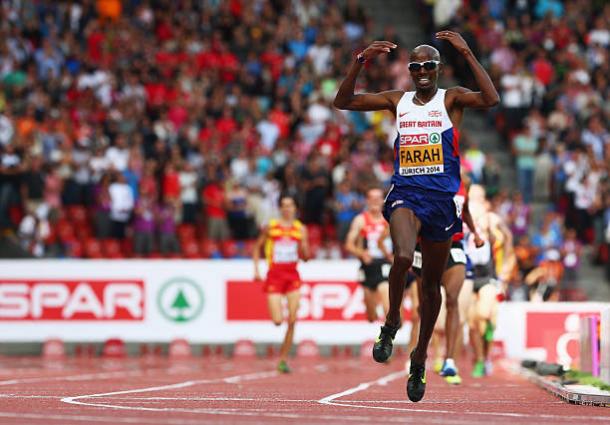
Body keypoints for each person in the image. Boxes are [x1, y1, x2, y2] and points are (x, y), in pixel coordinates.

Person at [333, 31, 499, 402]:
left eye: (428, 65)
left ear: (437, 70)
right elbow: (342, 100)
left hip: (440, 200)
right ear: (408, 71)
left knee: (430, 290)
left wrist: (467, 51)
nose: (422, 71)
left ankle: (420, 357)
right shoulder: (398, 100)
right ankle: (391, 321)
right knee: (404, 257)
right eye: (415, 66)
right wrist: (360, 60)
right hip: (406, 193)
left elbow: (491, 98)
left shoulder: (451, 98)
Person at [410, 173, 483, 385]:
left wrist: (476, 233)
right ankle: (421, 352)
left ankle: (449, 360)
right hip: (426, 247)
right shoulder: (425, 181)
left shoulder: (463, 185)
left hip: (455, 247)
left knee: (453, 299)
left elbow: (465, 210)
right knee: (426, 304)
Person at [253, 195, 310, 374]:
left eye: (290, 206)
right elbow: (257, 247)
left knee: (292, 320)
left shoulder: (300, 228)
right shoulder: (271, 227)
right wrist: (256, 269)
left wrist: (303, 242)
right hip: (275, 276)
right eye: (284, 206)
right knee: (278, 321)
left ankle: (283, 360)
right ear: (280, 208)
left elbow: (306, 257)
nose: (287, 209)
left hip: (292, 277)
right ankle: (282, 356)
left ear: (295, 208)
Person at [465, 184, 515, 377]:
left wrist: (505, 265)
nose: (475, 201)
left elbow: (508, 237)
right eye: (472, 197)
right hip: (468, 275)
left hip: (488, 275)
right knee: (472, 323)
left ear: (485, 202)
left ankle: (485, 355)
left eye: (478, 198)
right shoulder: (461, 216)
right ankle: (479, 360)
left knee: (485, 316)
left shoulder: (491, 219)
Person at [344, 187, 391, 322]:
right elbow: (348, 244)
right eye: (372, 198)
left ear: (383, 200)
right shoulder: (360, 220)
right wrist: (361, 253)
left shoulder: (389, 219)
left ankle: (387, 334)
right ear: (367, 200)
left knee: (386, 297)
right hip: (368, 266)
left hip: (384, 264)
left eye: (378, 198)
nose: (375, 201)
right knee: (371, 317)